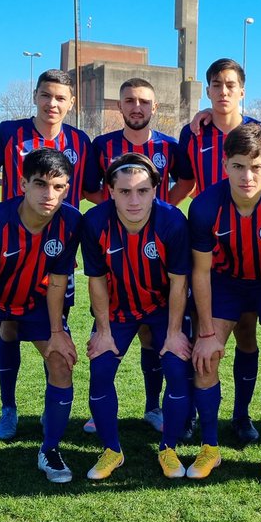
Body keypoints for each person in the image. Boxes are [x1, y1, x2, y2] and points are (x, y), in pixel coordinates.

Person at [0, 69, 101, 442]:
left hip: (58, 253)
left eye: (61, 98)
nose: (53, 103)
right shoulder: (9, 132)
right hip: (11, 252)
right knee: (10, 326)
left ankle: (50, 410)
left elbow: (92, 190)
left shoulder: (80, 140)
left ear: (71, 103)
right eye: (46, 95)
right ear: (35, 96)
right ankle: (8, 408)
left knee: (55, 327)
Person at [0, 149, 84, 492]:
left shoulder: (70, 222)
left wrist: (57, 332)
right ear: (23, 183)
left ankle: (50, 450)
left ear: (67, 189)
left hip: (37, 299)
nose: (48, 195)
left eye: (58, 186)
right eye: (40, 184)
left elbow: (57, 280)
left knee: (61, 361)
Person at [187, 123, 261, 485]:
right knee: (205, 357)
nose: (247, 175)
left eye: (256, 167)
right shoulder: (205, 206)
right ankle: (210, 447)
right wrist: (206, 333)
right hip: (226, 283)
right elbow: (202, 273)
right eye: (238, 166)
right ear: (225, 165)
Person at [176, 58, 261, 443]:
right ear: (208, 90)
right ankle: (197, 415)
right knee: (202, 332)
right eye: (216, 85)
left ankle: (242, 414)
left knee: (247, 332)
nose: (223, 91)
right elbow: (184, 182)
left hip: (252, 254)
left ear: (242, 90)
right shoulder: (193, 133)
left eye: (231, 85)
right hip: (209, 252)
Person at [81, 153, 194, 480]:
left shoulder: (172, 222)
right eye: (125, 191)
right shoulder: (95, 222)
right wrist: (102, 331)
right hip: (118, 309)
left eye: (142, 191)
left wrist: (174, 332)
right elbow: (97, 280)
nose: (134, 199)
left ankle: (168, 448)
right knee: (100, 369)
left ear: (156, 191)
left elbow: (178, 282)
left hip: (162, 308)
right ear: (111, 191)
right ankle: (112, 450)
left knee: (176, 366)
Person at [92, 78, 186, 435]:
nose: (136, 107)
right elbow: (88, 187)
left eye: (144, 101)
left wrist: (154, 213)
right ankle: (103, 423)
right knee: (103, 359)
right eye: (129, 100)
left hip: (158, 287)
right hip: (118, 285)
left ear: (154, 107)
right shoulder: (101, 146)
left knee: (162, 345)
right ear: (119, 106)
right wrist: (124, 210)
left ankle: (155, 408)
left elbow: (186, 181)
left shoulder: (171, 146)